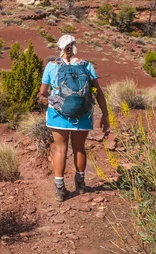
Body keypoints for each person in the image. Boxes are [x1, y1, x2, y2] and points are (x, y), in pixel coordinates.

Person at [39, 34, 110, 202]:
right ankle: (80, 183)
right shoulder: (87, 66)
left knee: (60, 149)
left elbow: (43, 92)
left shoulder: (51, 66)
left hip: (58, 115)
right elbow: (99, 93)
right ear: (75, 46)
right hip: (83, 114)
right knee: (79, 148)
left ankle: (60, 189)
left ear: (60, 48)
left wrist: (55, 99)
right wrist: (105, 115)